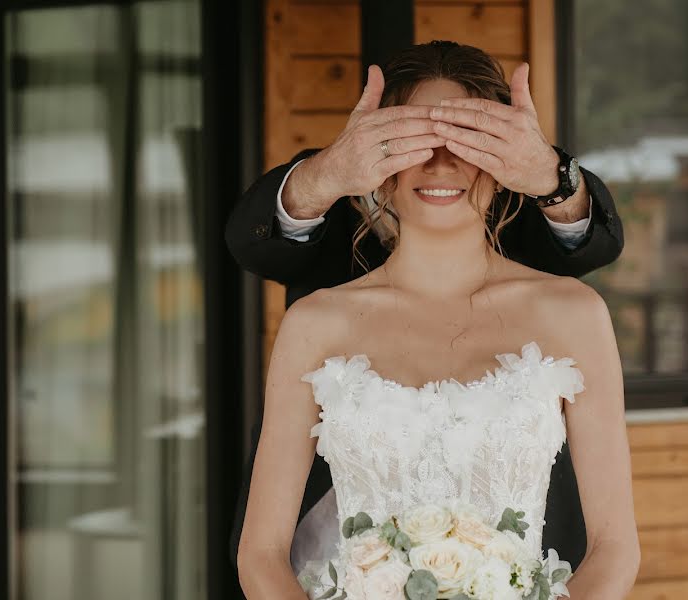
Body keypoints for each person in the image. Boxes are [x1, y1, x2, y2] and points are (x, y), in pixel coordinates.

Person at [229, 41, 638, 598]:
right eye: (413, 141)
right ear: (376, 161)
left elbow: (616, 550)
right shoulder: (315, 322)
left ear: (504, 160)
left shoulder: (574, 314)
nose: (440, 163)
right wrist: (328, 170)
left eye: (466, 141)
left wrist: (551, 171)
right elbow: (261, 556)